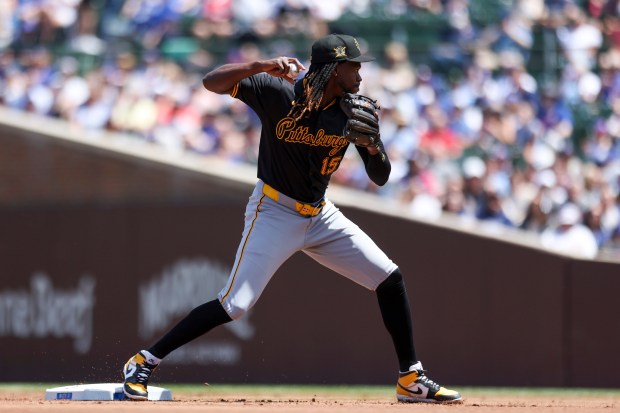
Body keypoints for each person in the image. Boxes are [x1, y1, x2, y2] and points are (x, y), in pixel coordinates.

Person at [121, 33, 462, 404]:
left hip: (320, 214)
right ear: (333, 69)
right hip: (274, 211)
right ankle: (144, 360)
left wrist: (372, 145)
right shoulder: (278, 91)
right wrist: (259, 65)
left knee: (389, 277)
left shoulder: (351, 109)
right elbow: (211, 82)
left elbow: (380, 176)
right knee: (234, 305)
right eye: (353, 65)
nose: (360, 72)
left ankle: (410, 377)